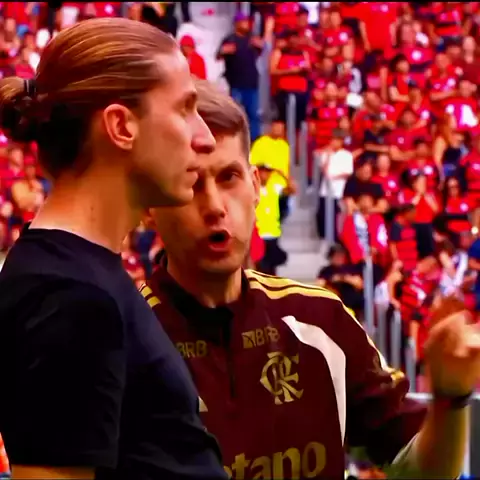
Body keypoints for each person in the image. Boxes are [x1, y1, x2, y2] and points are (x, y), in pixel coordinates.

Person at [144, 80, 480, 479]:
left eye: (229, 177)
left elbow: (423, 472)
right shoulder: (118, 337)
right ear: (150, 206)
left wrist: (450, 396)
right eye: (191, 183)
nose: (215, 206)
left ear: (255, 186)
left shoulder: (321, 319)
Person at [0, 18, 228, 480]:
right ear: (121, 126)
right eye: (185, 109)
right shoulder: (66, 296)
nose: (204, 137)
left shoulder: (81, 276)